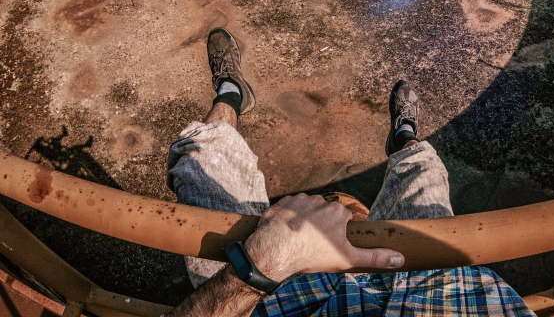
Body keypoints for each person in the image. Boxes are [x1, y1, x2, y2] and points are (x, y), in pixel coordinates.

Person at [167, 28, 534, 317]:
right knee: (423, 172)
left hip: (263, 295)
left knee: (203, 155)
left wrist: (253, 271)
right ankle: (403, 136)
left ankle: (230, 93)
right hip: (434, 282)